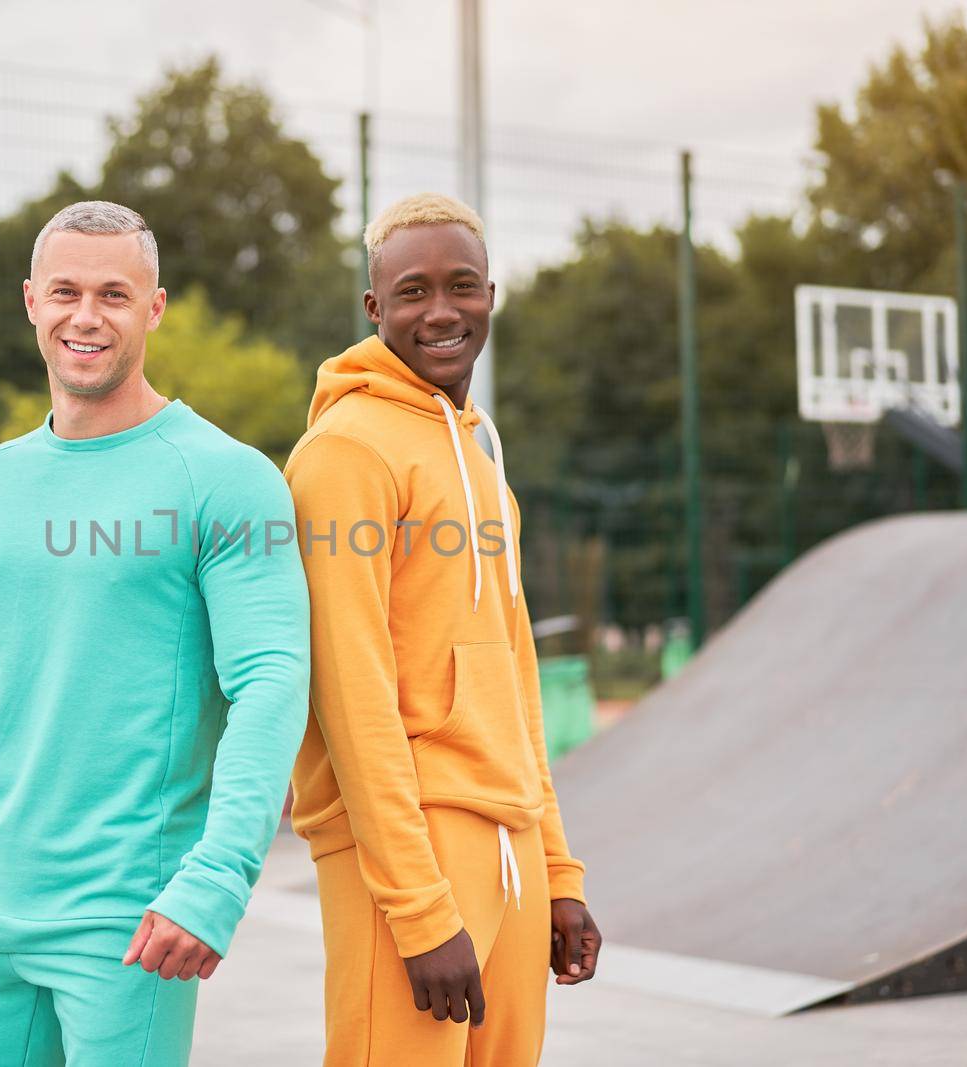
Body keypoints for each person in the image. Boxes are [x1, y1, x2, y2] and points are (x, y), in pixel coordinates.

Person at [0, 200, 310, 1066]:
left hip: (128, 921)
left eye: (114, 294)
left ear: (154, 307)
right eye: (65, 291)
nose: (85, 315)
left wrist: (217, 878)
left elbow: (271, 683)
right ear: (30, 301)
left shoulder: (227, 480)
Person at [284, 193, 602, 1065]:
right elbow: (349, 692)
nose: (441, 311)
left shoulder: (482, 457)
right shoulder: (344, 452)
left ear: (492, 295)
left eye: (462, 286)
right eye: (413, 291)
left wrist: (559, 870)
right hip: (404, 850)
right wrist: (420, 907)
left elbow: (515, 671)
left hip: (512, 839)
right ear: (373, 308)